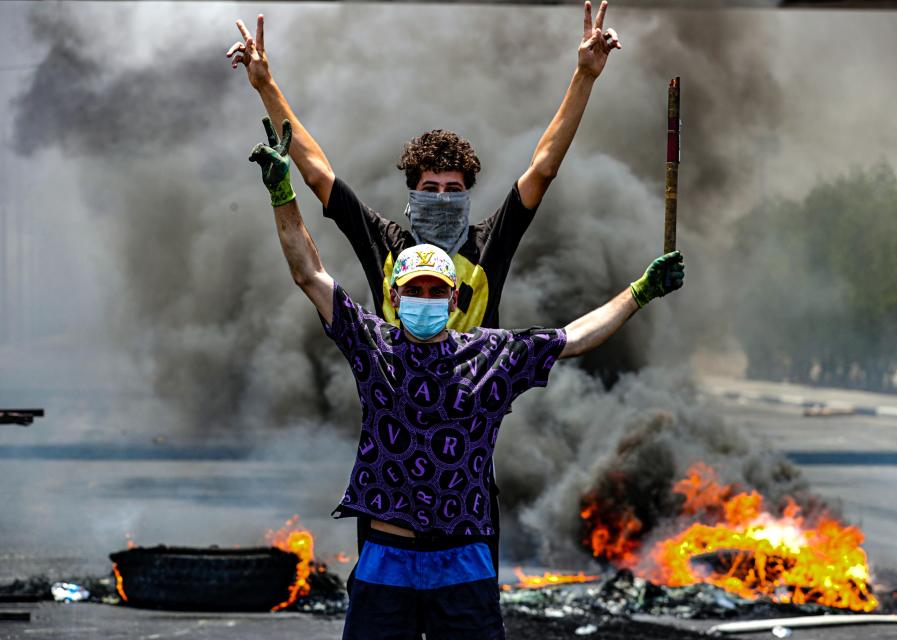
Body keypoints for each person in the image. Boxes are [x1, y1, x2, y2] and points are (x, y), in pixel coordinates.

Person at [248, 118, 684, 639]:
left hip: (464, 557)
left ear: (455, 299)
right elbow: (309, 273)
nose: (425, 300)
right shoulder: (373, 347)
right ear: (394, 296)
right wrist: (281, 193)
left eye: (436, 291)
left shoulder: (491, 355)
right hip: (388, 556)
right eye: (415, 290)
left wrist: (639, 292)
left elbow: (573, 337)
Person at [226, 3, 622, 330]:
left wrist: (584, 75)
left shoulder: (488, 246)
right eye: (431, 190)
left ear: (467, 196)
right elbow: (317, 174)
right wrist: (266, 86)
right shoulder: (386, 245)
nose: (442, 199)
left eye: (453, 191)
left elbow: (543, 170)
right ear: (412, 196)